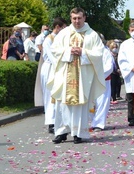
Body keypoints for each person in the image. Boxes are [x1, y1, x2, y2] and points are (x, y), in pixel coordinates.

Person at [47, 8, 106, 144]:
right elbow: (54, 50)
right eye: (74, 18)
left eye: (79, 18)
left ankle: (78, 133)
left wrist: (83, 52)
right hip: (64, 75)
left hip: (83, 77)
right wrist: (68, 51)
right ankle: (61, 132)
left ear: (84, 18)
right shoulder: (64, 33)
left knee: (80, 106)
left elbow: (99, 53)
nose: (77, 21)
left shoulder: (92, 35)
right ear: (70, 18)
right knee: (62, 105)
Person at [37, 17, 67, 133]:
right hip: (50, 68)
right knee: (50, 96)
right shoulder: (48, 40)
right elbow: (51, 57)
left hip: (58, 68)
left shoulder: (60, 39)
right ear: (57, 27)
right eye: (63, 28)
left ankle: (58, 121)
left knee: (58, 95)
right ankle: (51, 122)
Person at [90, 34, 115, 132]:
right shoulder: (88, 52)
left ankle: (99, 124)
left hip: (103, 81)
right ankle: (92, 120)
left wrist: (98, 76)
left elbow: (109, 67)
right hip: (90, 81)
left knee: (102, 102)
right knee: (90, 103)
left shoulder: (106, 52)